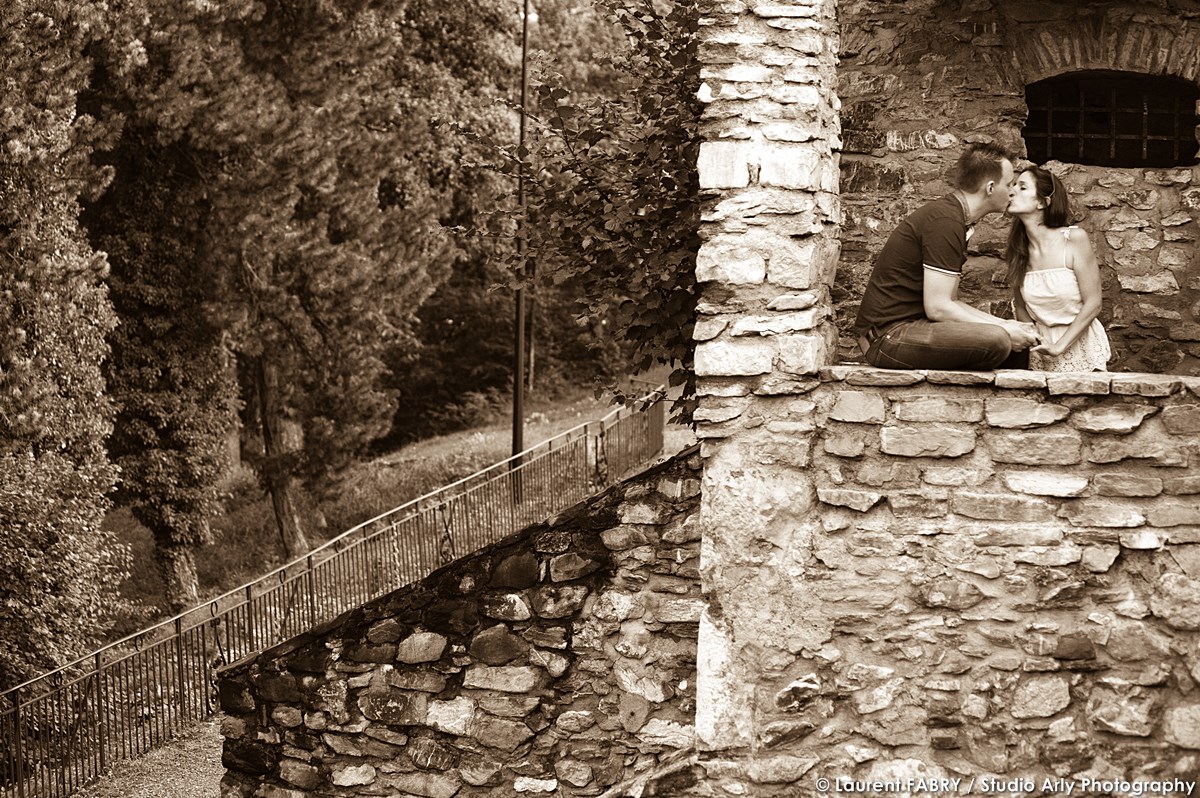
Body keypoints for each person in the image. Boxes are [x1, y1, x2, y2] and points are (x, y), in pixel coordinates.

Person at [854, 143, 1040, 370]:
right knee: (999, 340)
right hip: (887, 337)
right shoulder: (945, 222)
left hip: (910, 329)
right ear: (990, 187)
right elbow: (938, 308)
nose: (1012, 191)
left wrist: (1008, 324)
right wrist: (1005, 330)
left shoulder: (957, 219)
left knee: (1014, 339)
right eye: (1009, 184)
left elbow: (950, 302)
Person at [1005, 165, 1111, 371]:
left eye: (1023, 187)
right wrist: (1037, 341)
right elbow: (1020, 307)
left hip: (1080, 347)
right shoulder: (1018, 249)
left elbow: (1094, 303)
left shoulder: (1074, 239)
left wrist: (1059, 346)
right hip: (1041, 352)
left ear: (1042, 202)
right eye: (1014, 185)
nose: (1012, 191)